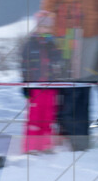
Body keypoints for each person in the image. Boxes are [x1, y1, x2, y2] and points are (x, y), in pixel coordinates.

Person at [40, 0, 98, 150]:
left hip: (89, 39)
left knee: (84, 87)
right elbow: (48, 6)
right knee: (68, 87)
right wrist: (50, 38)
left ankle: (81, 137)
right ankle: (65, 132)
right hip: (66, 38)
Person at [20, 11, 66, 154]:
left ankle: (45, 145)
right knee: (35, 116)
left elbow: (59, 62)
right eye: (43, 26)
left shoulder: (53, 44)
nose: (46, 30)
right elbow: (24, 66)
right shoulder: (30, 44)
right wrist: (25, 85)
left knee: (48, 116)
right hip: (35, 86)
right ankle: (31, 146)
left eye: (48, 27)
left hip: (51, 86)